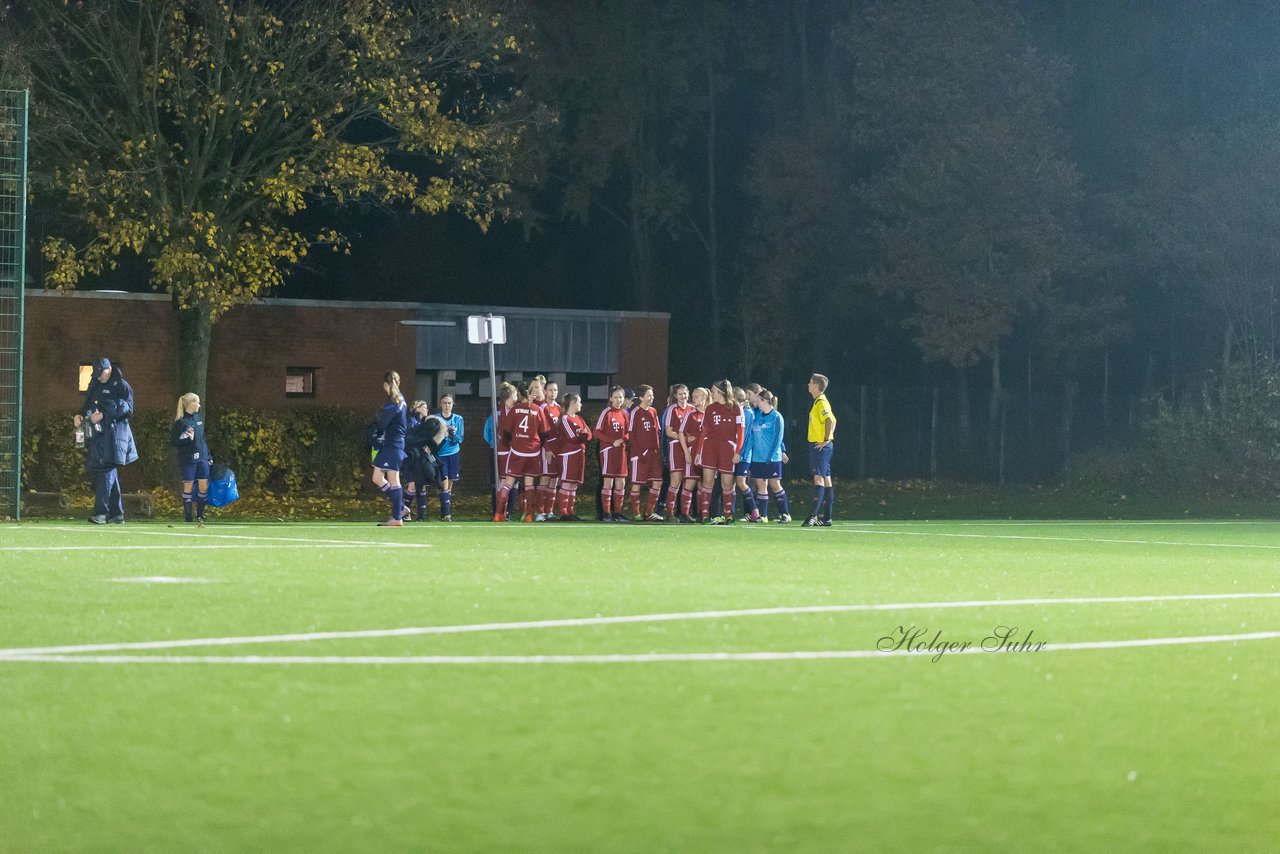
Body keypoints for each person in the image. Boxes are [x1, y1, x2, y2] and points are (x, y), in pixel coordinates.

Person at [75, 356, 138, 524]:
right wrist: (80, 414)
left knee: (105, 470)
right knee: (107, 470)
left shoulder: (122, 386)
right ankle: (117, 514)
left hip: (115, 436)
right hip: (99, 435)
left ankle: (101, 513)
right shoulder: (95, 383)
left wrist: (104, 415)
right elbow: (88, 402)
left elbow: (128, 410)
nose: (98, 376)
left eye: (100, 373)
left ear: (108, 369)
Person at [496, 382, 549, 522]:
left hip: (517, 451)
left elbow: (506, 432)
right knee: (530, 484)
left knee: (508, 482)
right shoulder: (538, 410)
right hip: (532, 452)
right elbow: (544, 433)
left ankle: (499, 513)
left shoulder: (515, 409)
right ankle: (529, 515)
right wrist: (537, 445)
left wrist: (513, 443)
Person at [695, 379, 744, 524]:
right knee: (707, 480)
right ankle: (704, 515)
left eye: (714, 391)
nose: (712, 393)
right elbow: (704, 432)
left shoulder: (736, 408)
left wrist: (738, 452)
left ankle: (728, 515)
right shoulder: (710, 408)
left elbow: (741, 431)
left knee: (727, 483)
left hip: (727, 448)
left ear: (721, 392)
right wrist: (699, 452)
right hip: (710, 447)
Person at [371, 370, 408, 527]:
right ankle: (400, 508)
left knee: (393, 479)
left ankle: (397, 518)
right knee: (377, 478)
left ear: (386, 385)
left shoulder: (394, 401)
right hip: (392, 444)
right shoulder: (401, 400)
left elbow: (383, 423)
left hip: (393, 444)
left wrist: (375, 432)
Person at [748, 389, 792, 523]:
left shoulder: (776, 416)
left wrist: (771, 455)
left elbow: (779, 438)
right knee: (761, 485)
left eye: (758, 400)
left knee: (774, 484)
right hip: (757, 457)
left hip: (772, 458)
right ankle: (763, 516)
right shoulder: (757, 416)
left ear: (765, 401)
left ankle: (785, 514)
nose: (756, 403)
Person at [170, 392, 211, 524]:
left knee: (203, 487)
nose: (199, 405)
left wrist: (208, 455)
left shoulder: (198, 418)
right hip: (188, 459)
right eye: (197, 402)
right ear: (190, 404)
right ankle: (188, 516)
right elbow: (175, 442)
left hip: (202, 458)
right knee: (188, 486)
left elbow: (202, 439)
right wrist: (188, 439)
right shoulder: (181, 422)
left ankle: (200, 515)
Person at [803, 372, 837, 527]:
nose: (808, 385)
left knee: (818, 478)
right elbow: (833, 419)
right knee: (826, 478)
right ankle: (827, 517)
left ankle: (813, 515)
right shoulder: (818, 402)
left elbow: (829, 419)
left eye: (810, 382)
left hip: (820, 446)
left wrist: (825, 439)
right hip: (819, 445)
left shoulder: (821, 402)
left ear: (816, 386)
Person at [552, 392, 591, 521]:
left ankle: (570, 511)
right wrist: (582, 436)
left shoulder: (579, 419)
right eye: (579, 402)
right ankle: (564, 513)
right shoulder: (565, 419)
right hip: (568, 455)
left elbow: (589, 434)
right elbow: (572, 437)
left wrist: (583, 436)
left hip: (579, 454)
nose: (580, 404)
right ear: (573, 403)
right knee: (567, 483)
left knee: (574, 484)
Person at [627, 385, 664, 521]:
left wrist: (658, 450)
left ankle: (649, 513)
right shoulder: (635, 412)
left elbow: (657, 432)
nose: (651, 398)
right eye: (649, 395)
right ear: (641, 397)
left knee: (658, 481)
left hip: (654, 454)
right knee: (637, 483)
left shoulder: (653, 411)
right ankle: (636, 513)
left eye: (652, 395)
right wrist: (640, 452)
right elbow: (631, 434)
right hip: (639, 454)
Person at [594, 385, 630, 522]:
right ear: (610, 398)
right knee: (608, 482)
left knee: (621, 482)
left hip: (621, 451)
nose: (618, 400)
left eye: (620, 397)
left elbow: (629, 432)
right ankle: (606, 514)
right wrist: (611, 441)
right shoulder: (606, 413)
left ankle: (617, 514)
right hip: (608, 451)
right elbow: (597, 432)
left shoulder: (624, 414)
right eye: (615, 397)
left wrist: (622, 439)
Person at [675, 387, 708, 522]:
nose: (693, 399)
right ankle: (684, 513)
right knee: (689, 482)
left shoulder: (709, 414)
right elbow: (681, 432)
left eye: (696, 396)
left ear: (704, 398)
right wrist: (686, 452)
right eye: (693, 396)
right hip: (692, 452)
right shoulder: (690, 414)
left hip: (706, 454)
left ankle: (702, 513)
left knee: (703, 483)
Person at [662, 384, 693, 522]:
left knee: (689, 481)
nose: (683, 396)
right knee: (676, 480)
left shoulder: (692, 409)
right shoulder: (672, 410)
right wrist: (684, 438)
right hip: (675, 447)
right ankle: (670, 513)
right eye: (680, 394)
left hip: (690, 448)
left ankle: (685, 513)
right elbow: (668, 431)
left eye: (685, 393)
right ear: (675, 395)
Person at [434, 393, 463, 521]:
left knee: (450, 484)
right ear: (440, 404)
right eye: (444, 403)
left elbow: (460, 438)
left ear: (453, 405)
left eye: (449, 403)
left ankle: (444, 512)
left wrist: (453, 435)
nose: (447, 405)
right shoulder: (435, 418)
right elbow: (432, 436)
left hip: (453, 453)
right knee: (444, 482)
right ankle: (446, 514)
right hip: (441, 455)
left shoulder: (458, 419)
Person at [536, 379, 561, 520]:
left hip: (558, 448)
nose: (553, 393)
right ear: (545, 391)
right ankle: (540, 513)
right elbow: (541, 431)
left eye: (555, 390)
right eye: (550, 390)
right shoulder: (542, 408)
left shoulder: (558, 408)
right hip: (548, 447)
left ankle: (549, 511)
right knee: (544, 478)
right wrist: (547, 448)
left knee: (554, 480)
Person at [732, 386, 759, 521]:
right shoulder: (739, 411)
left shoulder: (747, 413)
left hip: (743, 455)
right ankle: (729, 513)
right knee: (731, 484)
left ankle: (754, 511)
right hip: (735, 454)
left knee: (741, 482)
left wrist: (742, 453)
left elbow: (747, 436)